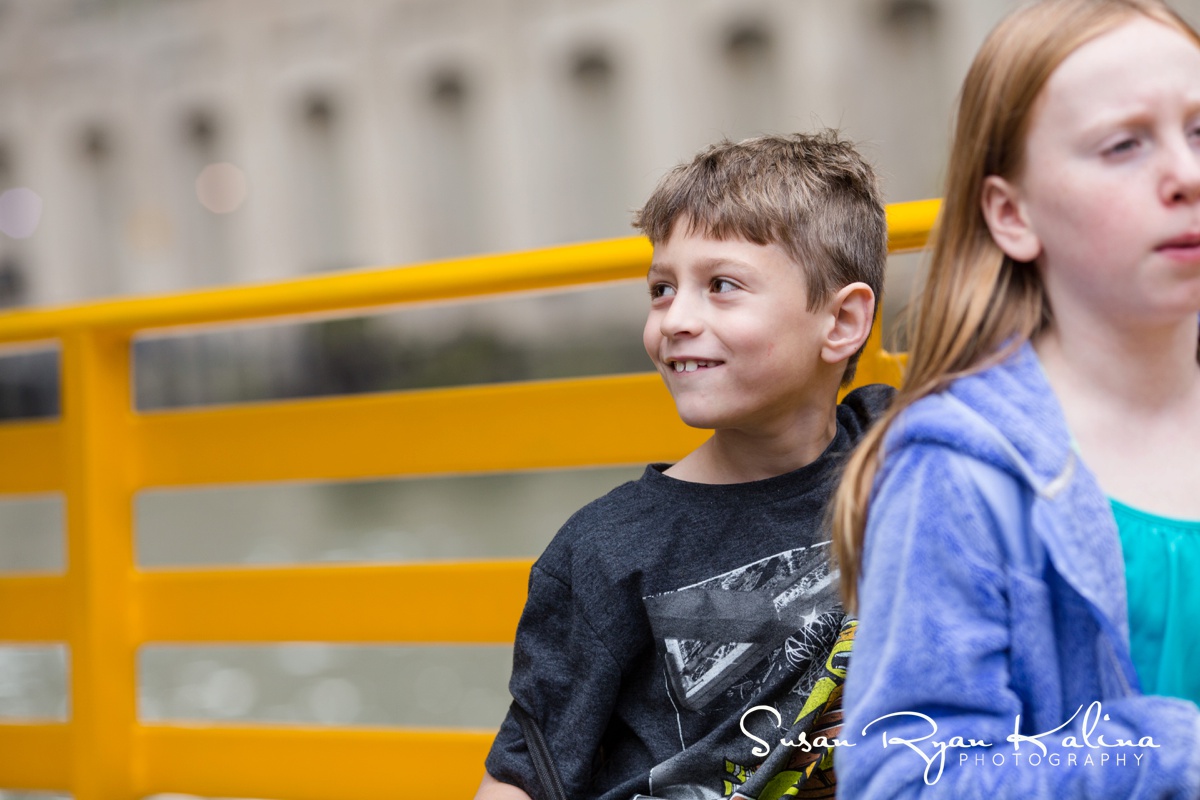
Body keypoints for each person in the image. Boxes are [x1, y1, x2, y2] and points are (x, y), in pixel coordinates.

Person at [831, 0, 1200, 796]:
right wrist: (1166, 758)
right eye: (1124, 144)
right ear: (1012, 213)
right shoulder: (957, 473)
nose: (1187, 174)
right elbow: (905, 778)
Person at [475, 131, 893, 800]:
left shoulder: (901, 451)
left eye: (721, 286)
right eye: (662, 289)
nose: (675, 320)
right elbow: (527, 774)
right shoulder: (607, 548)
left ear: (842, 321)